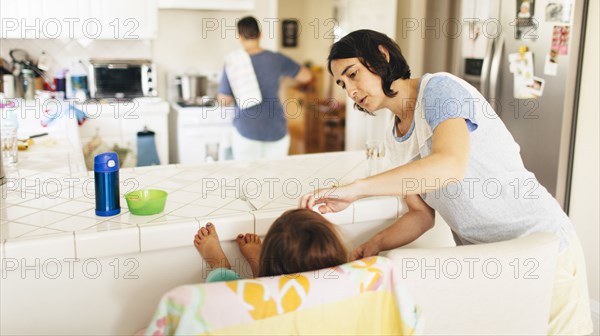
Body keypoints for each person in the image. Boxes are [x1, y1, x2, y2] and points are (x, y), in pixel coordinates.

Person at [299, 29, 593, 335]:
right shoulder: (395, 138)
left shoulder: (438, 90)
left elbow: (449, 165)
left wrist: (356, 190)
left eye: (354, 74)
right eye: (343, 84)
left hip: (540, 247)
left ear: (382, 56)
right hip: (489, 262)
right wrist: (372, 245)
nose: (351, 90)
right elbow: (421, 216)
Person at [217, 16, 313, 160]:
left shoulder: (233, 62)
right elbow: (307, 76)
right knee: (273, 178)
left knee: (247, 179)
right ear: (260, 34)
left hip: (247, 129)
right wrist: (283, 78)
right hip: (275, 129)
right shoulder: (276, 59)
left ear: (239, 36)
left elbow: (224, 100)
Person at [193, 208, 348, 281]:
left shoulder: (272, 305)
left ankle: (220, 266)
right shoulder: (345, 285)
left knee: (224, 287)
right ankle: (259, 273)